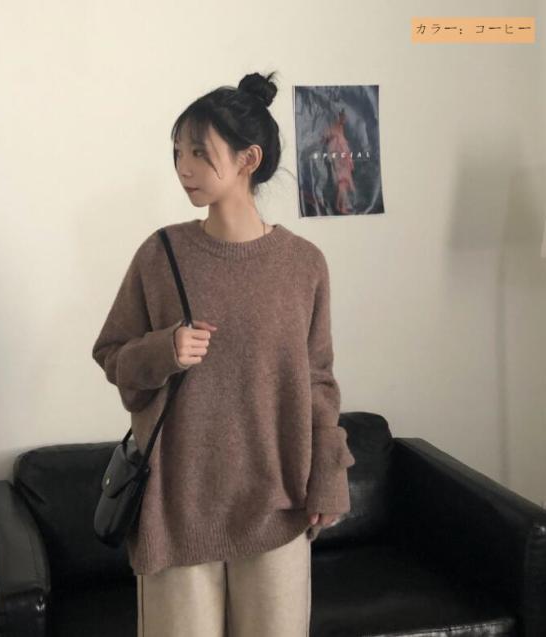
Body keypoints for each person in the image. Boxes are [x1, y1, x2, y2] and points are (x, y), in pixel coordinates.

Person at [92, 70, 355, 637]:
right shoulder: (160, 254)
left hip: (277, 510)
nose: (183, 167)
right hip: (176, 512)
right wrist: (164, 350)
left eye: (198, 152)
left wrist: (330, 476)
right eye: (177, 153)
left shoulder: (303, 264)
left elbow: (318, 380)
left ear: (247, 159)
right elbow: (112, 354)